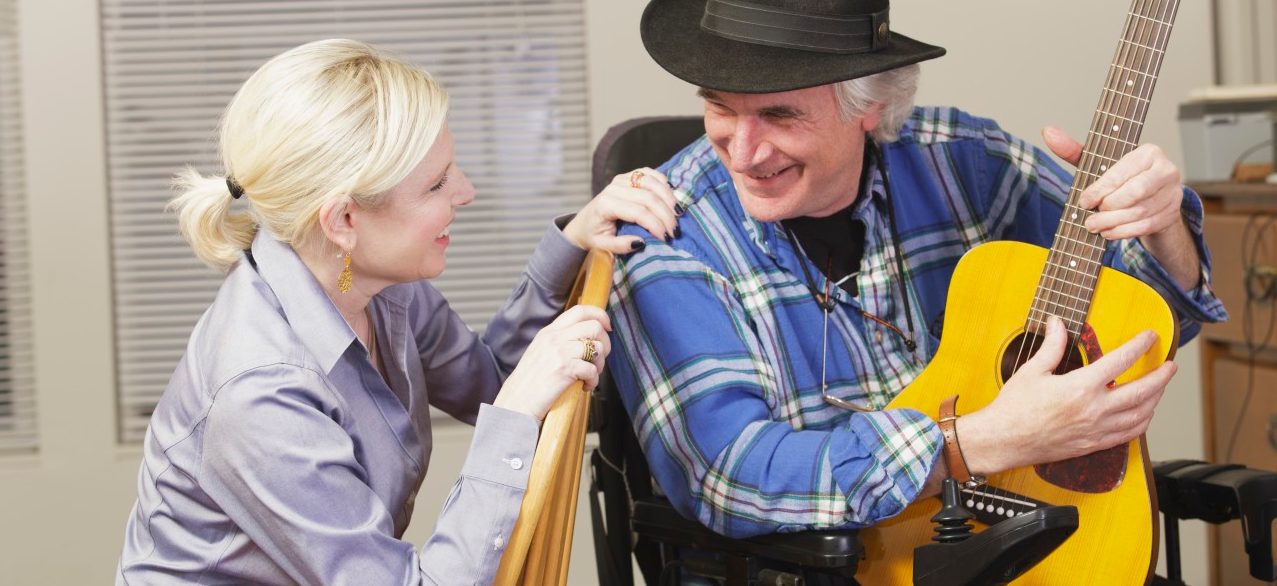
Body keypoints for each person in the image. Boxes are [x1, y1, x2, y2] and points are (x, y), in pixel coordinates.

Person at [607, 0, 1228, 541]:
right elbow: (724, 474)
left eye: (779, 116)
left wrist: (1160, 225)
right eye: (719, 108)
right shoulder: (667, 233)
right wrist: (982, 442)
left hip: (1005, 545)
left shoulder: (968, 165)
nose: (742, 152)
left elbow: (1150, 327)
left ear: (869, 104)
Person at [116, 39, 679, 585]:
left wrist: (574, 241)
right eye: (436, 183)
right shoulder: (261, 391)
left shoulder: (376, 285)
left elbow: (498, 381)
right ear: (343, 221)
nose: (466, 191)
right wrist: (512, 417)